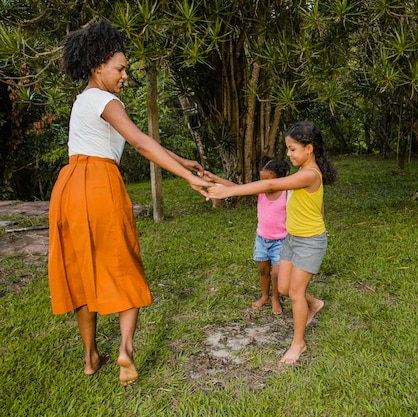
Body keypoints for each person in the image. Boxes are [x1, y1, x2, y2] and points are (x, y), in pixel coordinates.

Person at [48, 20, 211, 386]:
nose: (124, 75)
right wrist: (187, 177)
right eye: (120, 68)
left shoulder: (84, 100)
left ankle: (91, 358)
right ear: (98, 67)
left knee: (82, 270)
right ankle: (125, 349)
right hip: (99, 184)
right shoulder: (106, 99)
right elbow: (138, 142)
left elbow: (139, 139)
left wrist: (181, 161)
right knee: (123, 264)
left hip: (70, 185)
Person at [206, 121, 336, 364]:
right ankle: (315, 303)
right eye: (287, 148)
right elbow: (317, 203)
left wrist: (228, 192)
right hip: (292, 238)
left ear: (309, 148)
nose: (288, 154)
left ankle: (299, 343)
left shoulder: (309, 174)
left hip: (309, 242)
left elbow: (271, 184)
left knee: (295, 292)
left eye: (292, 148)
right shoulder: (302, 172)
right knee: (285, 288)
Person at [206, 156, 291, 315]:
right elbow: (235, 187)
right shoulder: (260, 192)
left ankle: (275, 298)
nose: (263, 184)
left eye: (268, 180)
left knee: (276, 273)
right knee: (263, 271)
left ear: (279, 179)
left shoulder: (287, 194)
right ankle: (265, 295)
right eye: (261, 180)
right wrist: (214, 177)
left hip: (281, 241)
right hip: (262, 240)